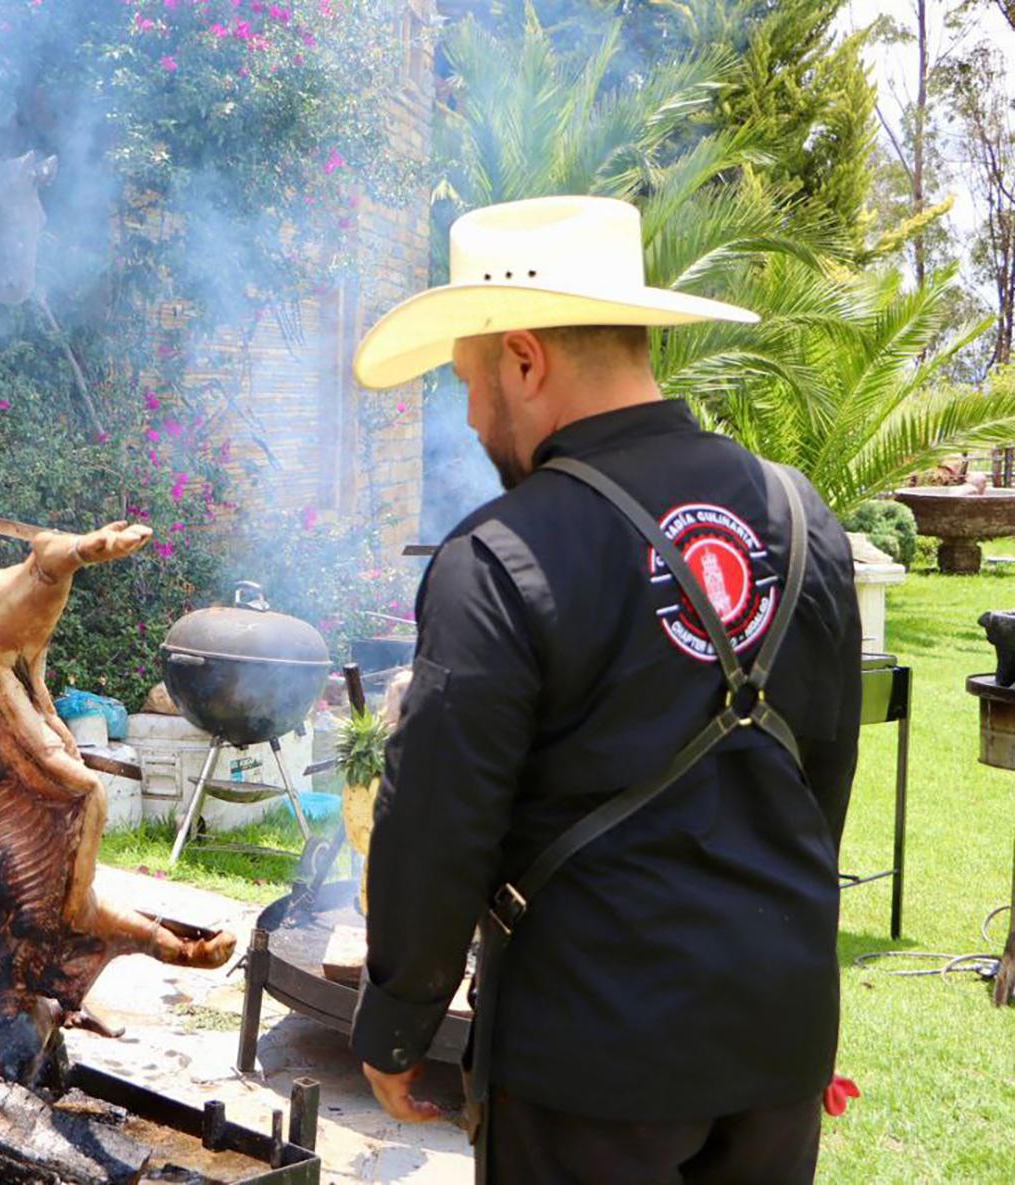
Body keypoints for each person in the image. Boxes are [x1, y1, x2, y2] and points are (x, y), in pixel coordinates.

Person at [347, 195, 862, 1184]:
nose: (466, 412)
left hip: (585, 1063)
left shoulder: (496, 555)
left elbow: (438, 818)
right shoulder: (804, 520)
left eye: (466, 378)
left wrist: (397, 1022)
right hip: (778, 1038)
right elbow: (820, 787)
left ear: (524, 359)